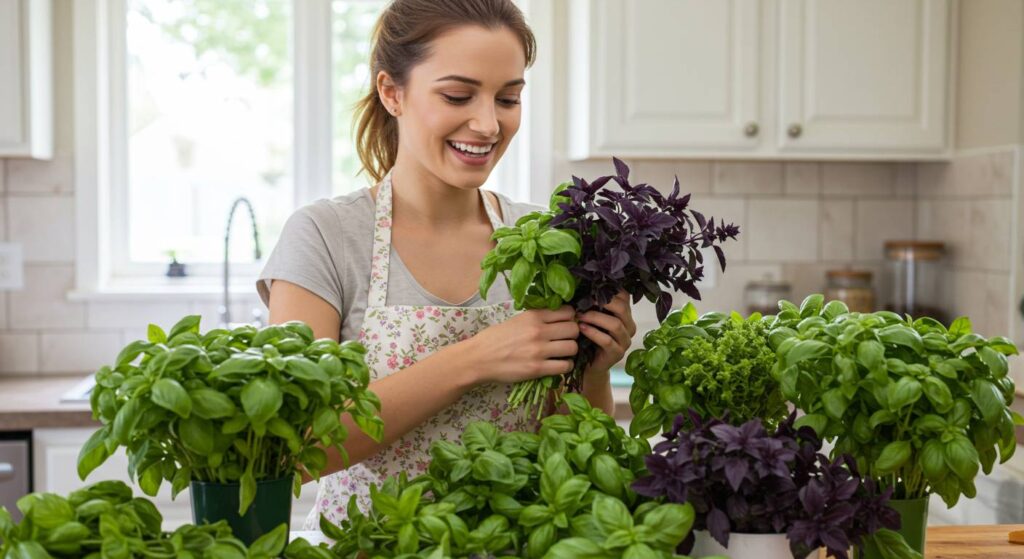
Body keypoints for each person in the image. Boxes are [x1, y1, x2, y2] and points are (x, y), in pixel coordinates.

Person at [256, 0, 636, 527]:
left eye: (508, 98)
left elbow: (577, 452)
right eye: (458, 95)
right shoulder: (325, 235)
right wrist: (474, 360)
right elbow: (296, 451)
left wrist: (594, 372)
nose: (487, 124)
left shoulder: (545, 242)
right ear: (393, 92)